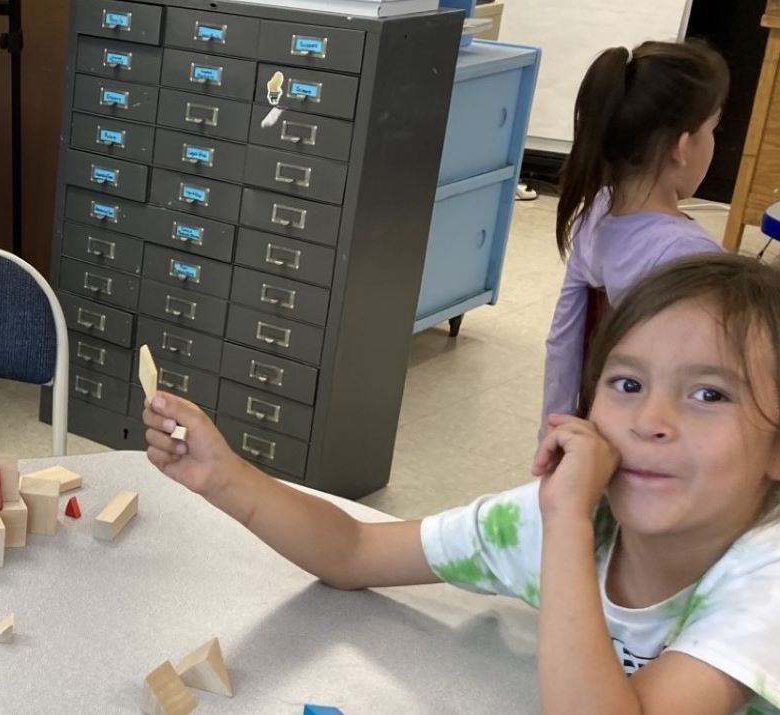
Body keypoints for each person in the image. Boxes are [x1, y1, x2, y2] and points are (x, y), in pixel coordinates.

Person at [146, 254, 780, 714]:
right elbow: (353, 552)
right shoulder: (551, 520)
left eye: (709, 393)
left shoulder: (766, 581)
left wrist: (565, 525)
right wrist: (224, 477)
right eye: (628, 384)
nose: (650, 421)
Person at [543, 41, 729, 423]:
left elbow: (564, 340)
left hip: (603, 423)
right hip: (662, 438)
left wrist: (557, 435)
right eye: (713, 129)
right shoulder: (688, 254)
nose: (714, 143)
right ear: (682, 146)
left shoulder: (594, 212)